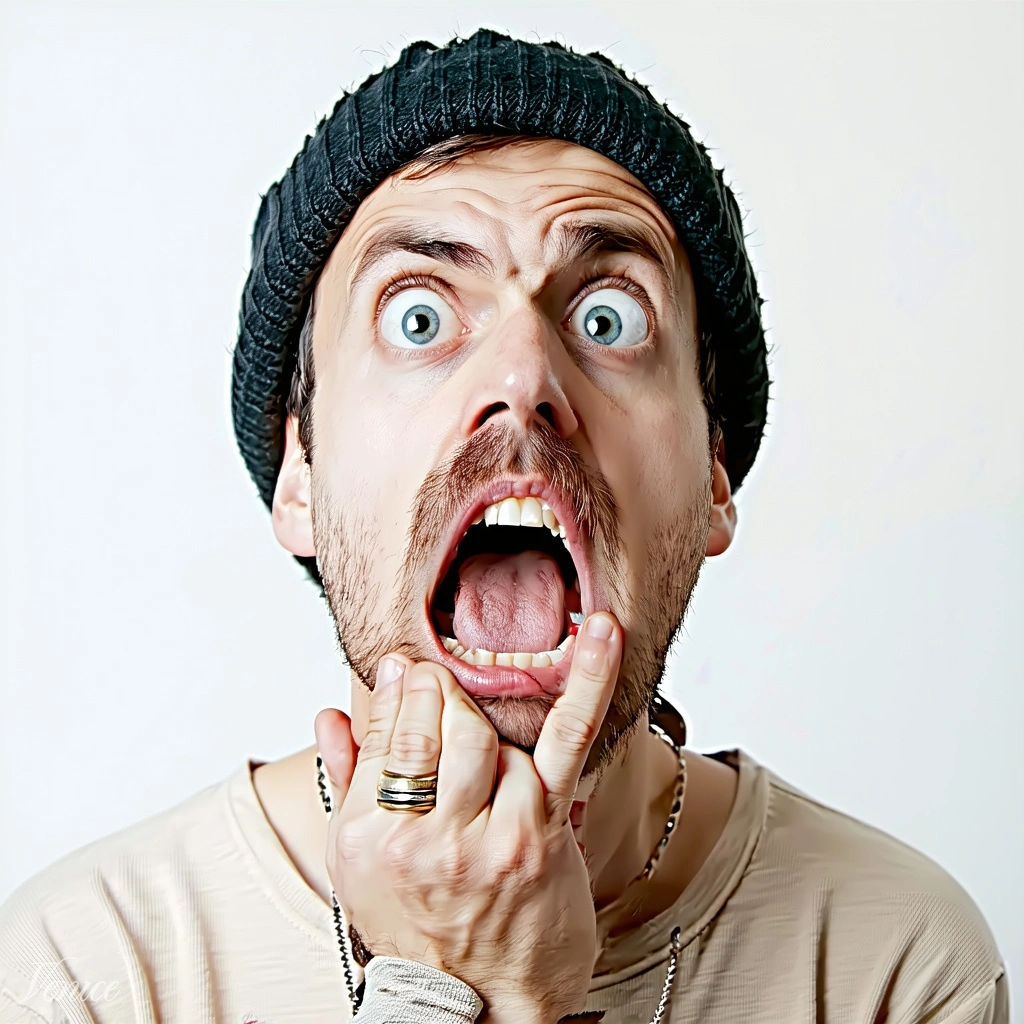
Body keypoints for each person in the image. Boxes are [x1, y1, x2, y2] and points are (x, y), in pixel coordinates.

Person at [0, 28, 1008, 1024]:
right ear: (299, 470)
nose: (525, 378)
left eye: (610, 319)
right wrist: (444, 989)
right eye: (419, 319)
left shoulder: (894, 967)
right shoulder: (85, 977)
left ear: (712, 473)